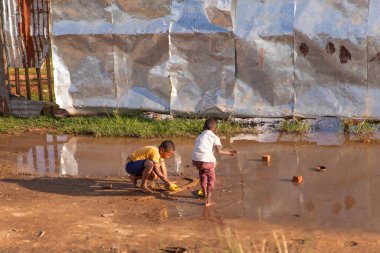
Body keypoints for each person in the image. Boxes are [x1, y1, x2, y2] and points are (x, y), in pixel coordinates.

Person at [192, 119, 237, 207]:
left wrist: (228, 151)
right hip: (207, 161)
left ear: (204, 127)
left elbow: (201, 148)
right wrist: (230, 153)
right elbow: (219, 151)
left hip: (196, 160)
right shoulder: (214, 137)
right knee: (211, 179)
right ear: (215, 129)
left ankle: (204, 193)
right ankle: (208, 200)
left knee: (202, 175)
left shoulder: (199, 136)